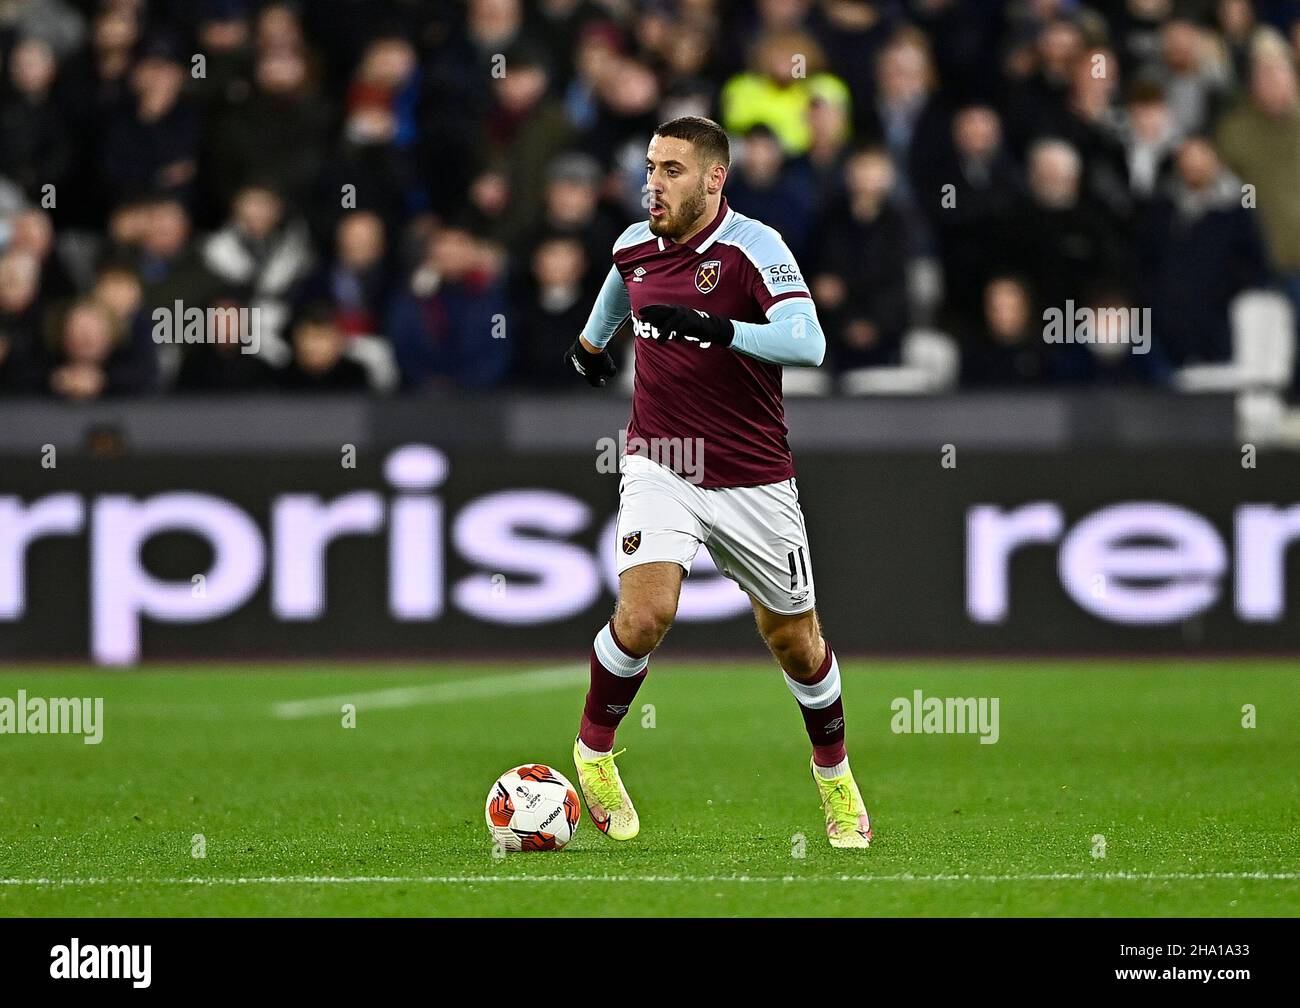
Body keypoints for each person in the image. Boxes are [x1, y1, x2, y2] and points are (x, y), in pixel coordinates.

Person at [561, 116, 871, 849]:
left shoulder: (754, 247)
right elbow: (619, 285)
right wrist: (589, 345)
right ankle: (594, 753)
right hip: (662, 459)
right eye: (649, 167)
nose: (653, 183)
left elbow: (809, 342)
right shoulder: (634, 244)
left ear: (713, 178)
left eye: (671, 169)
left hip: (753, 474)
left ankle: (833, 773)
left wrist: (716, 328)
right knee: (643, 617)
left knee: (794, 639)